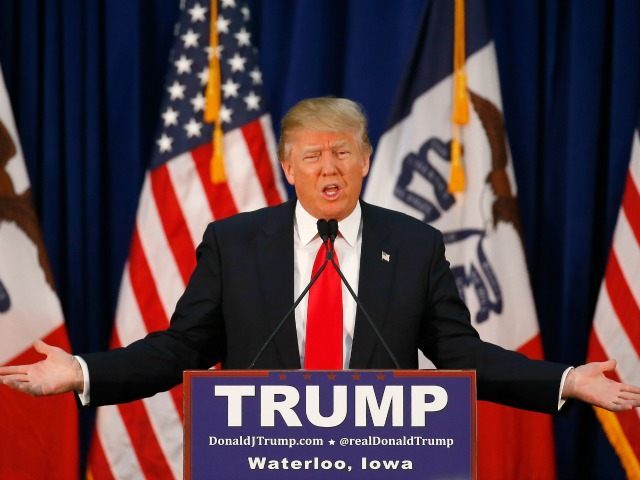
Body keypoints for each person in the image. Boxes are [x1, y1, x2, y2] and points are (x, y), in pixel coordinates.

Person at [1, 97, 639, 414]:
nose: (328, 170)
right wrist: (84, 371)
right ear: (288, 168)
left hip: (382, 460)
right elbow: (182, 349)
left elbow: (462, 357)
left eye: (342, 154)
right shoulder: (234, 242)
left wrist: (564, 380)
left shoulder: (414, 245)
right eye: (312, 156)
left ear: (365, 162)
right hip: (262, 459)